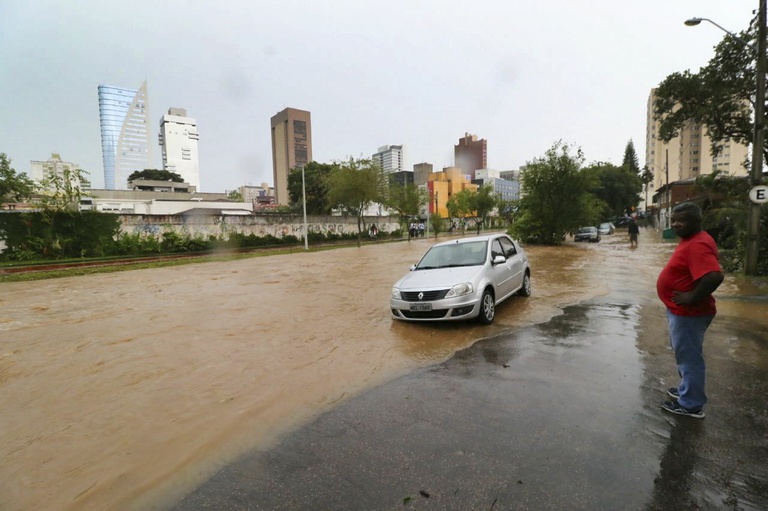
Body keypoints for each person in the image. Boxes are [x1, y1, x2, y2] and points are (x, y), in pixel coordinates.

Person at [656, 202, 724, 419]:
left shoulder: (697, 244)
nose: (676, 224)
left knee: (689, 358)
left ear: (697, 221)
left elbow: (714, 276)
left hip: (689, 314)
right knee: (684, 354)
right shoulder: (693, 240)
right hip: (683, 313)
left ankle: (691, 404)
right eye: (673, 220)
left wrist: (691, 297)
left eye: (682, 220)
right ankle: (687, 389)